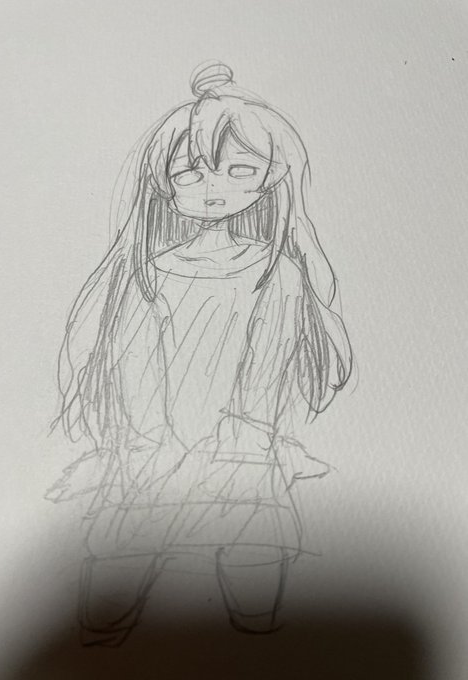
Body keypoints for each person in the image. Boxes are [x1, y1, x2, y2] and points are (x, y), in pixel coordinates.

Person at [46, 61, 353, 646]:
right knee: (108, 601)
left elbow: (268, 365)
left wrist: (244, 438)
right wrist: (148, 442)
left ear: (269, 179)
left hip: (243, 454)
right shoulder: (145, 271)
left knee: (256, 597)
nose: (213, 188)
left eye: (241, 171)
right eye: (190, 173)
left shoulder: (277, 272)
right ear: (164, 182)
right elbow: (131, 361)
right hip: (148, 454)